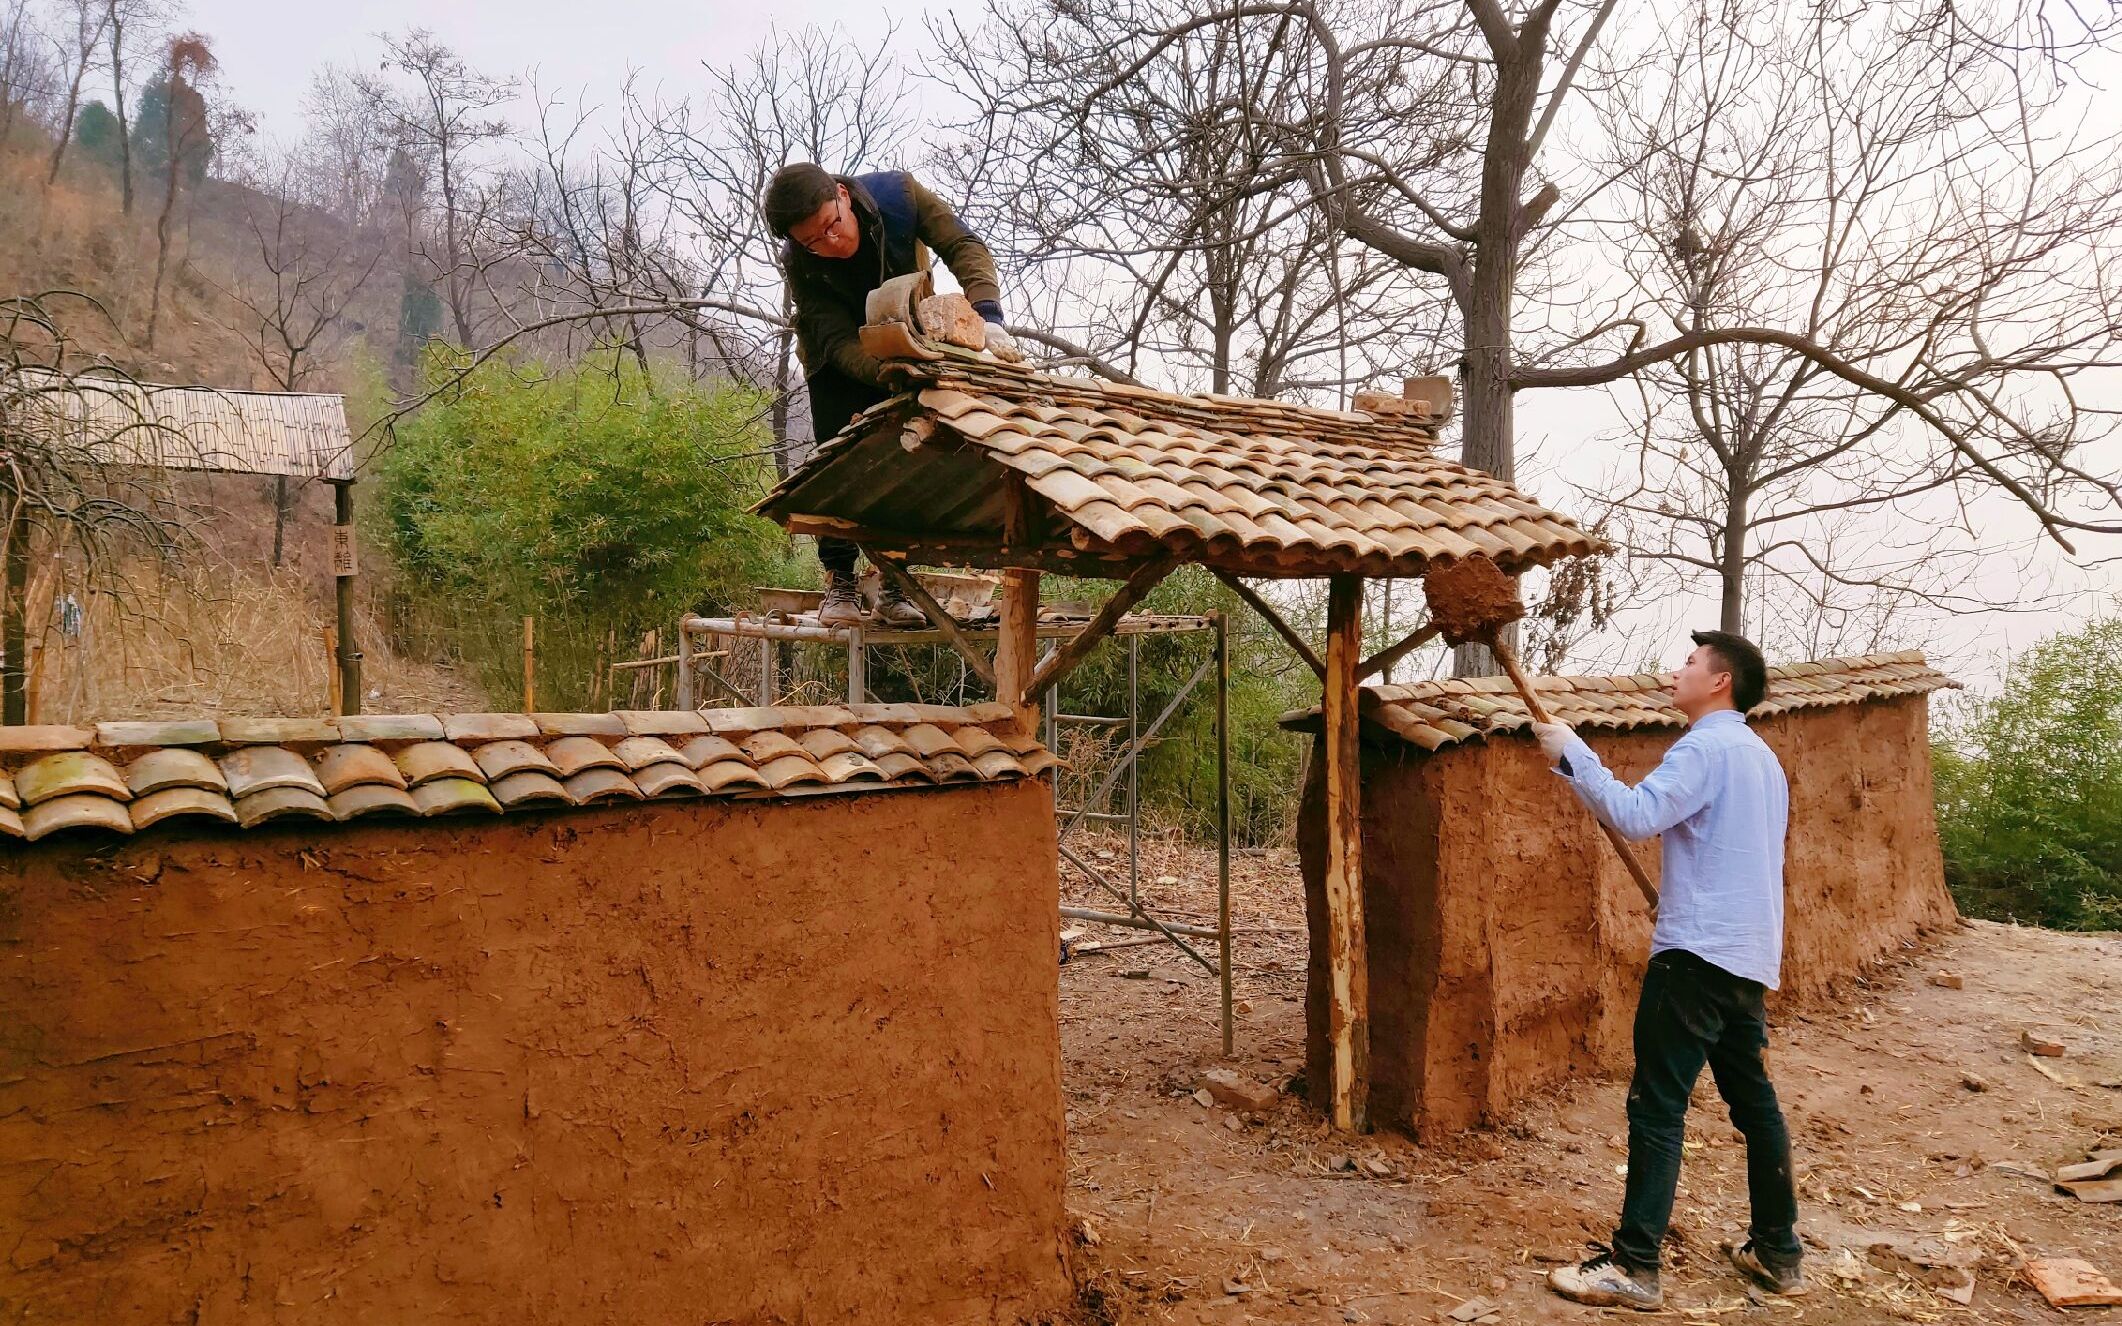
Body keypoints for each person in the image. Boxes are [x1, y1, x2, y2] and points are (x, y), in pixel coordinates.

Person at [1533, 630, 1804, 1312]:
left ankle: (1635, 1266)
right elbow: (1725, 851)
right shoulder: (1762, 759)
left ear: (1721, 681)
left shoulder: (1706, 746)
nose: (1676, 671)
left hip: (1694, 959)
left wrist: (1574, 755)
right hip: (1746, 960)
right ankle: (1778, 1251)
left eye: (1689, 663)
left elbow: (1635, 815)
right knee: (1757, 1106)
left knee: (1657, 1105)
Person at [762, 162, 1023, 628]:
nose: (830, 244)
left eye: (831, 227)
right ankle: (839, 579)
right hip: (837, 356)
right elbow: (838, 341)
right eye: (812, 241)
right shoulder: (800, 262)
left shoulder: (899, 196)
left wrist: (988, 314)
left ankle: (893, 585)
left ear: (842, 195)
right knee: (838, 460)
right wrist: (885, 372)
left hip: (910, 329)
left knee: (910, 456)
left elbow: (963, 244)